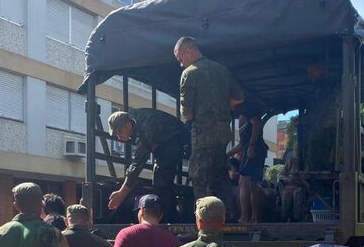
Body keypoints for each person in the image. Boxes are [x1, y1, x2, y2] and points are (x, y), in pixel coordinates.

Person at [174, 36, 244, 214]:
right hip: (223, 133)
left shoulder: (189, 73)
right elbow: (238, 99)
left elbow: (187, 113)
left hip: (203, 134)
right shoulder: (222, 70)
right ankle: (229, 218)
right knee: (220, 176)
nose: (181, 64)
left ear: (189, 52)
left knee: (199, 178)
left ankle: (206, 221)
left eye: (181, 59)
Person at [107, 109, 187, 222]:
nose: (118, 137)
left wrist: (121, 194)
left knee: (161, 182)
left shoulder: (144, 125)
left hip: (178, 137)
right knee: (160, 178)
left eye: (119, 132)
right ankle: (169, 215)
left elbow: (138, 162)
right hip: (167, 139)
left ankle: (169, 220)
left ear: (127, 126)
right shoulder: (135, 122)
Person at [228, 105, 268, 223]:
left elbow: (257, 122)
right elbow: (241, 144)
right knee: (252, 186)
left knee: (244, 182)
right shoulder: (241, 119)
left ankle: (244, 217)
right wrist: (227, 155)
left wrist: (251, 145)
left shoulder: (246, 111)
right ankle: (254, 218)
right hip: (253, 150)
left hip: (254, 151)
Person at [302, 61, 339, 171]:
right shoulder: (322, 87)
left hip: (325, 131)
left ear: (321, 69)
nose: (310, 76)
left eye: (312, 72)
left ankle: (318, 181)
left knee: (317, 163)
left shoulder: (327, 87)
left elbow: (319, 111)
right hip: (324, 129)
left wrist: (303, 120)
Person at [278, 156, 308, 222]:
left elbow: (307, 182)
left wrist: (299, 180)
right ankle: (284, 216)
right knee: (286, 194)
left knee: (297, 194)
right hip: (288, 186)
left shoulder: (306, 163)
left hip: (299, 186)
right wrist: (288, 179)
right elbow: (281, 175)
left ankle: (296, 218)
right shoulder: (290, 161)